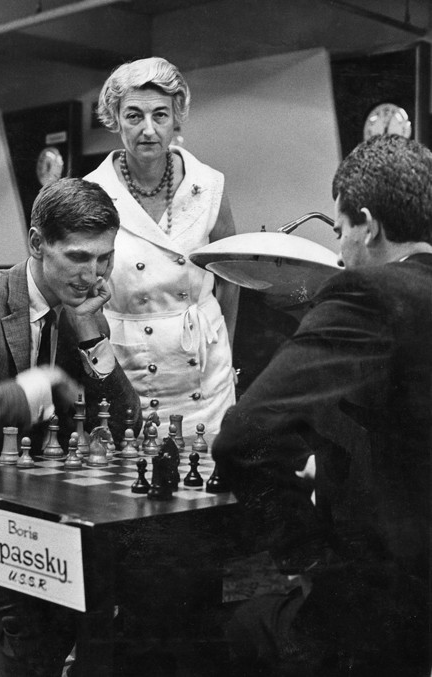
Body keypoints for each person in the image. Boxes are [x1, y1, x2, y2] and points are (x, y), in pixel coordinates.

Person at [212, 134, 432, 677]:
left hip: (386, 598)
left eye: (339, 231)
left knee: (232, 631)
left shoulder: (369, 293)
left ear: (368, 223)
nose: (339, 252)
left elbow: (243, 436)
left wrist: (305, 552)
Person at [0, 177, 142, 677]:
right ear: (36, 243)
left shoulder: (81, 311)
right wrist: (41, 384)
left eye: (105, 258)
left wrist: (94, 341)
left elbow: (124, 431)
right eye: (78, 257)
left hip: (39, 512)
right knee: (42, 594)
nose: (94, 275)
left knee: (131, 578)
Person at [85, 56, 239, 438]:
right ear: (115, 118)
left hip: (206, 377)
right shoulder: (92, 192)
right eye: (134, 116)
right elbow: (80, 294)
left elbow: (231, 279)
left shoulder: (210, 186)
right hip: (129, 370)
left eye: (160, 115)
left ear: (177, 118)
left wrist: (225, 349)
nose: (148, 130)